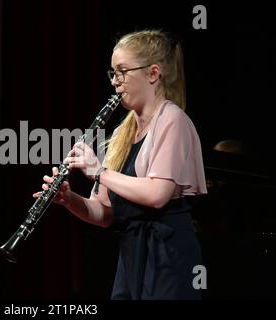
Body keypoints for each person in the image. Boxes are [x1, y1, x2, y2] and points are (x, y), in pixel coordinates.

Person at [33, 30, 207, 300]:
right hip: (132, 257)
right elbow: (104, 214)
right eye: (112, 73)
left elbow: (157, 194)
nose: (115, 82)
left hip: (168, 257)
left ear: (153, 74)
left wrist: (99, 172)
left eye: (122, 71)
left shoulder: (173, 120)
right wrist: (69, 199)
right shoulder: (121, 135)